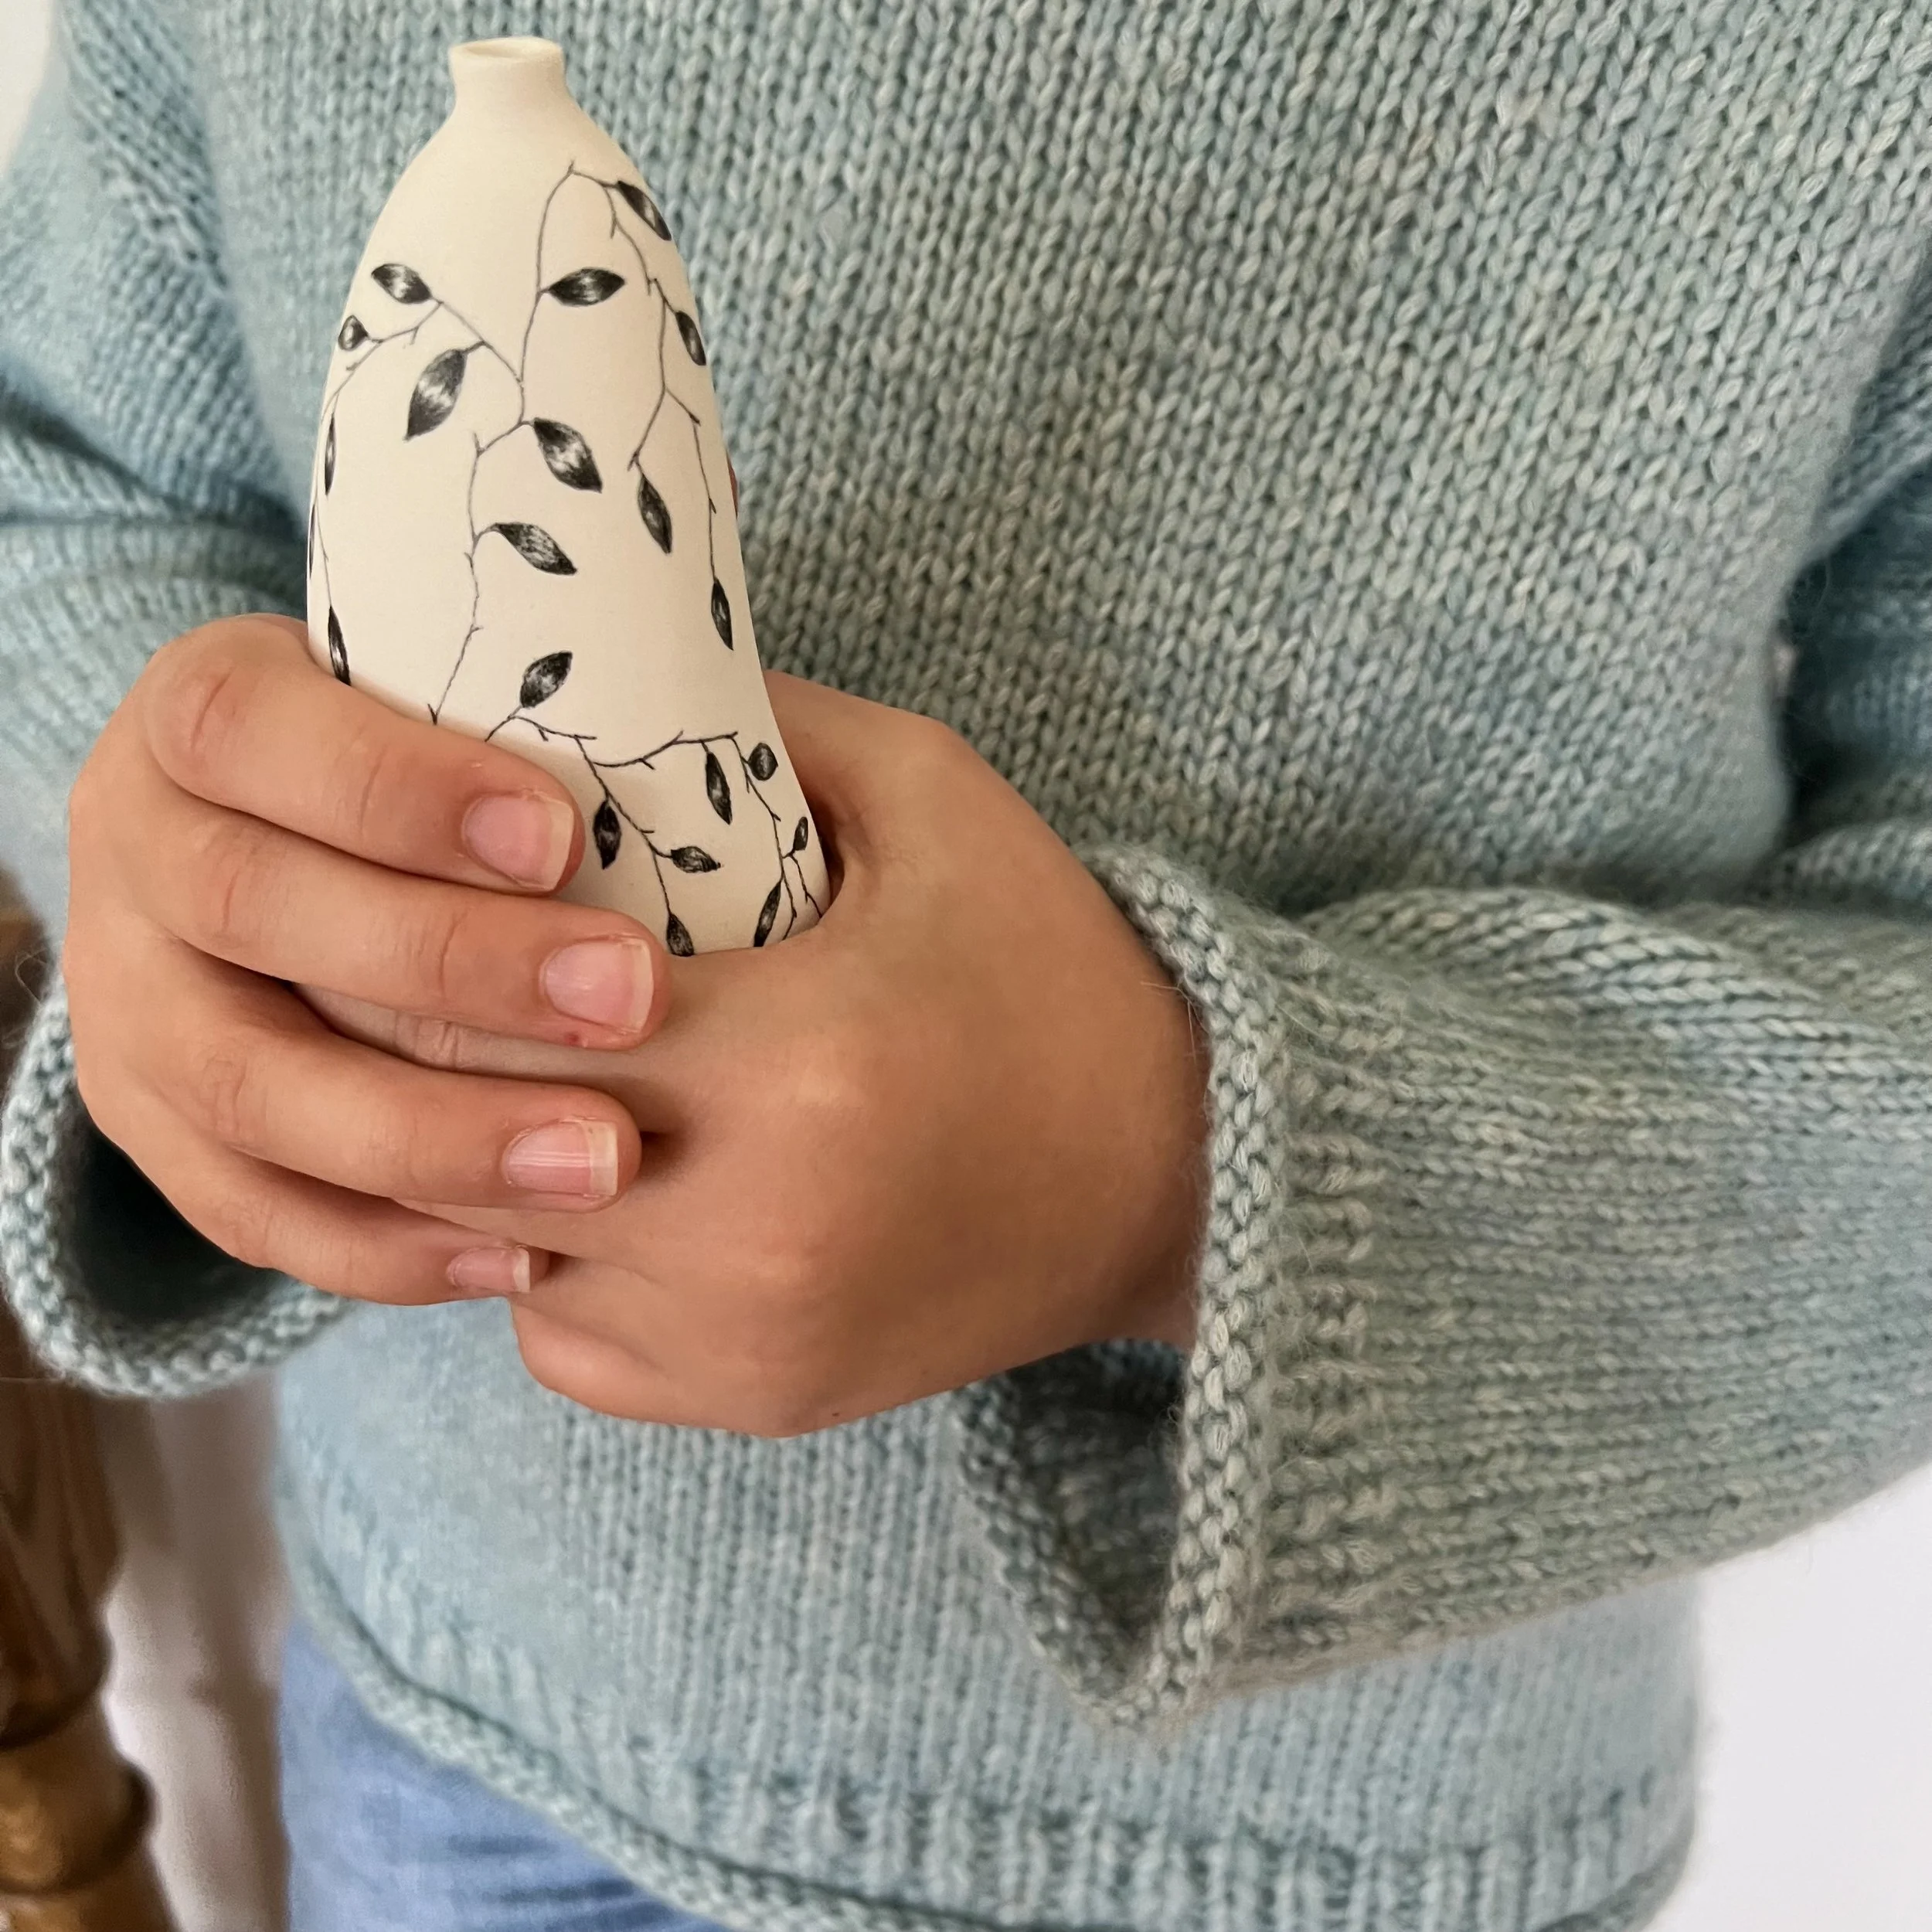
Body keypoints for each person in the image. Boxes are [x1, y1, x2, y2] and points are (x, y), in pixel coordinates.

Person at [4, 1, 1932, 1928]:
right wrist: (199, 870)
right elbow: (69, 479)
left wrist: (1171, 1164)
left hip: (1348, 1838)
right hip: (472, 1725)